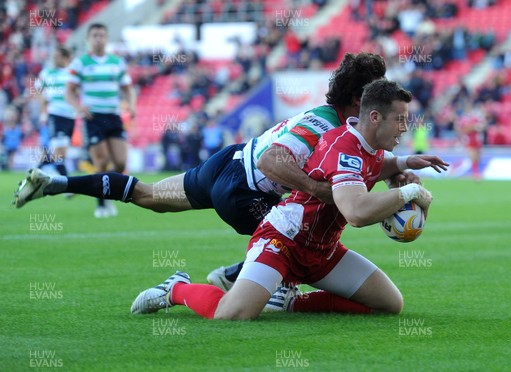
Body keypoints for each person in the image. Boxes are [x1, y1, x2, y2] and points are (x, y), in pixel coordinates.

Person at [14, 53, 447, 285]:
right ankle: (233, 279)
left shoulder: (335, 119)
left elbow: (358, 166)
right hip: (244, 188)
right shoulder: (329, 123)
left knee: (150, 197)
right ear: (359, 101)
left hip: (228, 160)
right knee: (294, 241)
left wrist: (396, 167)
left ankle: (56, 182)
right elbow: (272, 161)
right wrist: (318, 189)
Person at [130, 79, 433, 319]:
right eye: (400, 119)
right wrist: (409, 193)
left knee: (389, 304)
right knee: (232, 315)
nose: (405, 127)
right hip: (283, 242)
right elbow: (356, 212)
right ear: (375, 117)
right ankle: (176, 289)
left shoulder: (370, 146)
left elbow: (380, 165)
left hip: (323, 251)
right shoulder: (342, 147)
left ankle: (290, 303)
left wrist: (405, 165)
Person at [66, 23, 136, 218]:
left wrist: (131, 105)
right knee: (101, 162)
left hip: (113, 117)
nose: (99, 38)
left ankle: (108, 192)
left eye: (102, 35)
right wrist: (78, 107)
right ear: (88, 39)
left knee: (121, 163)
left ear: (107, 38)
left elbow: (128, 88)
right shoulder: (80, 63)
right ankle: (101, 205)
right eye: (95, 35)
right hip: (93, 118)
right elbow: (69, 92)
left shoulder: (116, 62)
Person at [34, 47, 77, 177]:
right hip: (55, 115)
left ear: (65, 57)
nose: (54, 59)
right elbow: (38, 90)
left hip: (70, 116)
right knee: (59, 152)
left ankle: (40, 168)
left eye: (57, 56)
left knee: (61, 153)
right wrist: (43, 111)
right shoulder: (47, 73)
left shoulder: (73, 73)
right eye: (54, 56)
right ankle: (66, 183)